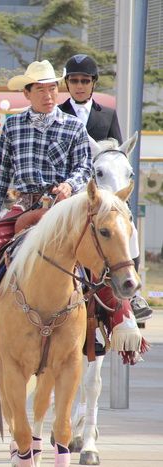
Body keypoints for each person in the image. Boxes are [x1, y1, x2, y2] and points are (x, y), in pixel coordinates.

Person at [0, 60, 91, 290]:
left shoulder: (75, 126)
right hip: (23, 206)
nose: (48, 95)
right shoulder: (12, 126)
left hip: (62, 207)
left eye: (52, 88)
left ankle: (115, 314)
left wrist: (69, 184)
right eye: (40, 89)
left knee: (99, 250)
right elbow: (1, 173)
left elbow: (85, 168)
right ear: (27, 93)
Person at [59, 54, 152, 322]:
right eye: (74, 80)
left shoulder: (108, 115)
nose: (79, 85)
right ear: (67, 83)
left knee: (128, 228)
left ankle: (133, 294)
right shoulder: (59, 113)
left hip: (104, 194)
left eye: (84, 81)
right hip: (70, 192)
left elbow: (119, 158)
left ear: (93, 83)